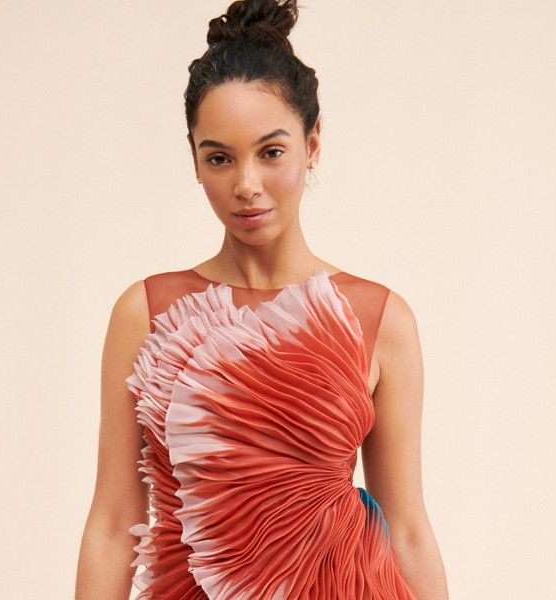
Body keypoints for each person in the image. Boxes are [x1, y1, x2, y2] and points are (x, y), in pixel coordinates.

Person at [75, 1, 449, 598]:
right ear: (195, 160)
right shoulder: (145, 313)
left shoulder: (380, 318)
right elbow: (115, 524)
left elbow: (406, 530)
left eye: (271, 152)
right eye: (218, 158)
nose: (246, 185)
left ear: (312, 143)